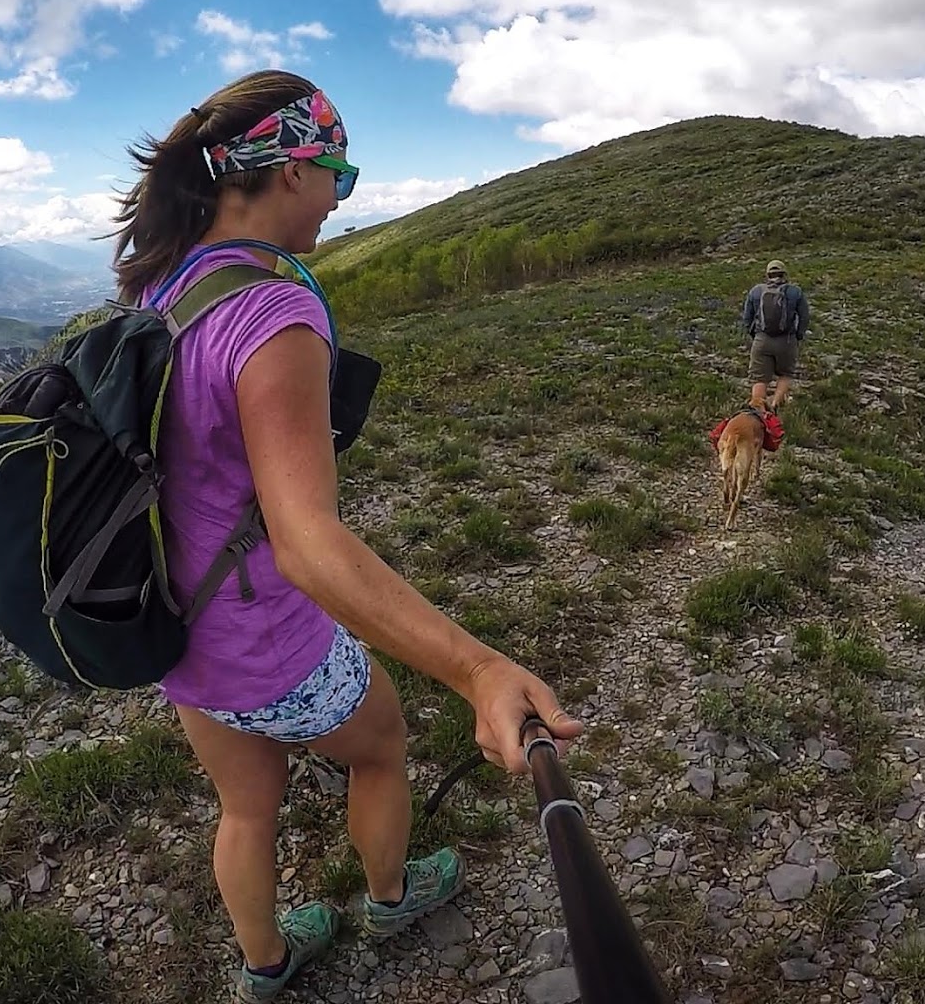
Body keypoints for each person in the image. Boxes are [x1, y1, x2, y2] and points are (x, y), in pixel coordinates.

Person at [111, 69, 584, 1001]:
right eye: (340, 174)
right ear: (291, 171)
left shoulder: (163, 287)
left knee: (245, 807)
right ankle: (392, 896)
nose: (337, 200)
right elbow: (309, 545)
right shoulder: (273, 314)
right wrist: (478, 670)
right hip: (267, 635)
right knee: (381, 746)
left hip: (178, 630)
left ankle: (265, 964)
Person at [741, 258, 810, 413]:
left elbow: (747, 318)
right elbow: (804, 317)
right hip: (786, 340)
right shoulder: (795, 291)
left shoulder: (756, 291)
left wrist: (755, 335)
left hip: (762, 339)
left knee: (759, 378)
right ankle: (774, 405)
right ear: (784, 274)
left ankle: (757, 409)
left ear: (767, 274)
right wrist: (798, 335)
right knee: (786, 374)